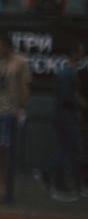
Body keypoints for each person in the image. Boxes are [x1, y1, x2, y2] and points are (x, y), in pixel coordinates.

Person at [35, 35, 84, 202]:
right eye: (80, 50)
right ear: (74, 53)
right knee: (67, 149)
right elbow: (66, 99)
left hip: (68, 116)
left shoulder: (70, 72)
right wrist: (82, 104)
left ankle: (75, 182)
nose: (83, 53)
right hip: (66, 117)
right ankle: (49, 175)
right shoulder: (66, 73)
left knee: (72, 150)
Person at [0, 30, 30, 204]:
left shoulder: (20, 62)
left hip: (9, 112)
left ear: (6, 46)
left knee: (7, 152)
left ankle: (8, 192)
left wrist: (22, 108)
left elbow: (25, 87)